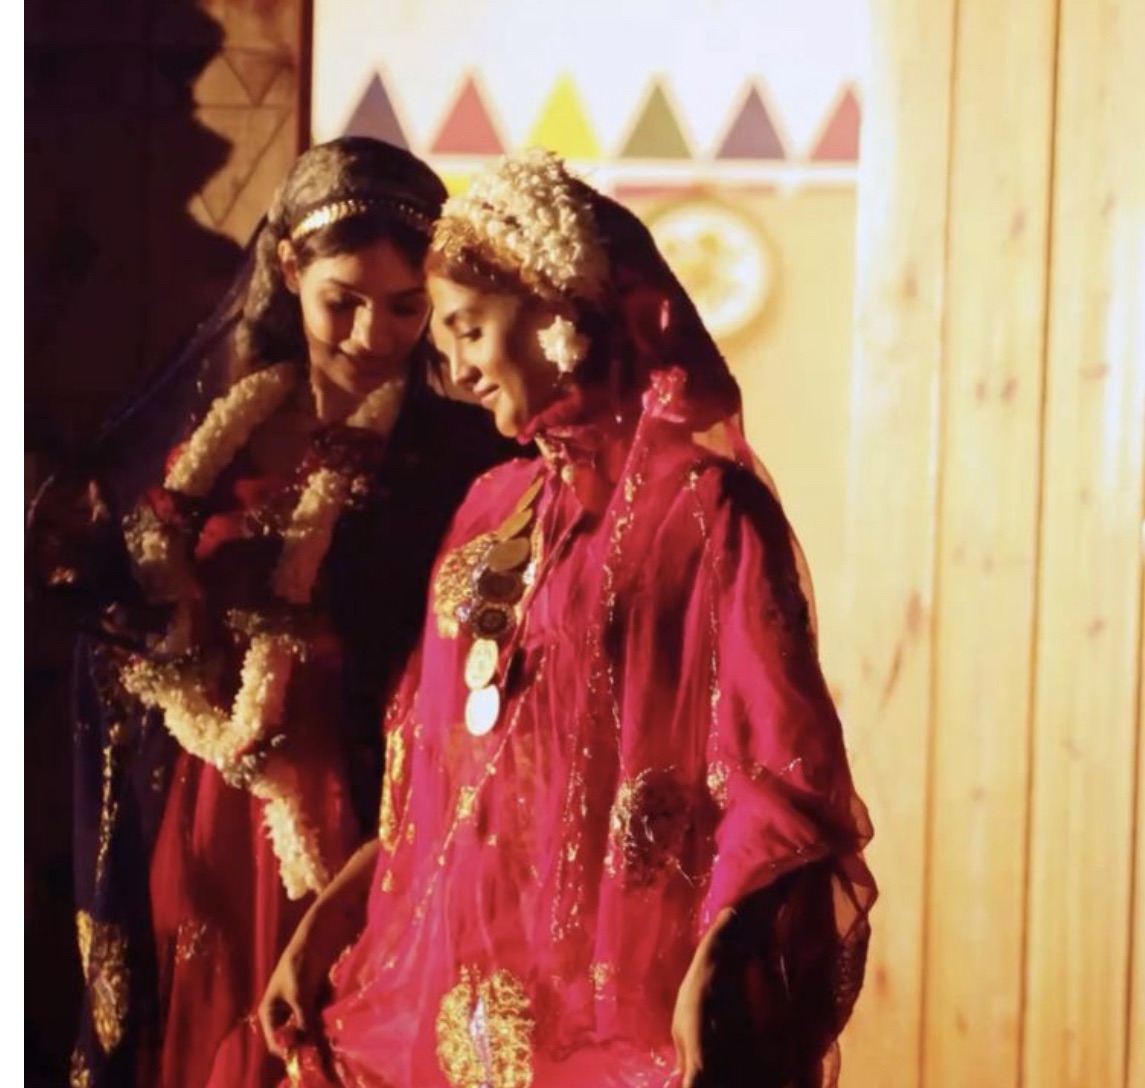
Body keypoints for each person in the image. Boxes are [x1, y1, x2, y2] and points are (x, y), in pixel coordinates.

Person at [257, 149, 876, 1088]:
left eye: (469, 329)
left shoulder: (706, 511)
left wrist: (720, 957)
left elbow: (779, 773)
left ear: (555, 309)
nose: (456, 369)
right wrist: (328, 923)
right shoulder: (488, 506)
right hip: (445, 997)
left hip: (623, 1007)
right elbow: (431, 778)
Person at [30, 137, 521, 1088]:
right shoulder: (204, 436)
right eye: (343, 300)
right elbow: (135, 615)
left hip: (362, 807)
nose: (373, 334)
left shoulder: (461, 460)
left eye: (406, 305)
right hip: (202, 796)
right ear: (289, 268)